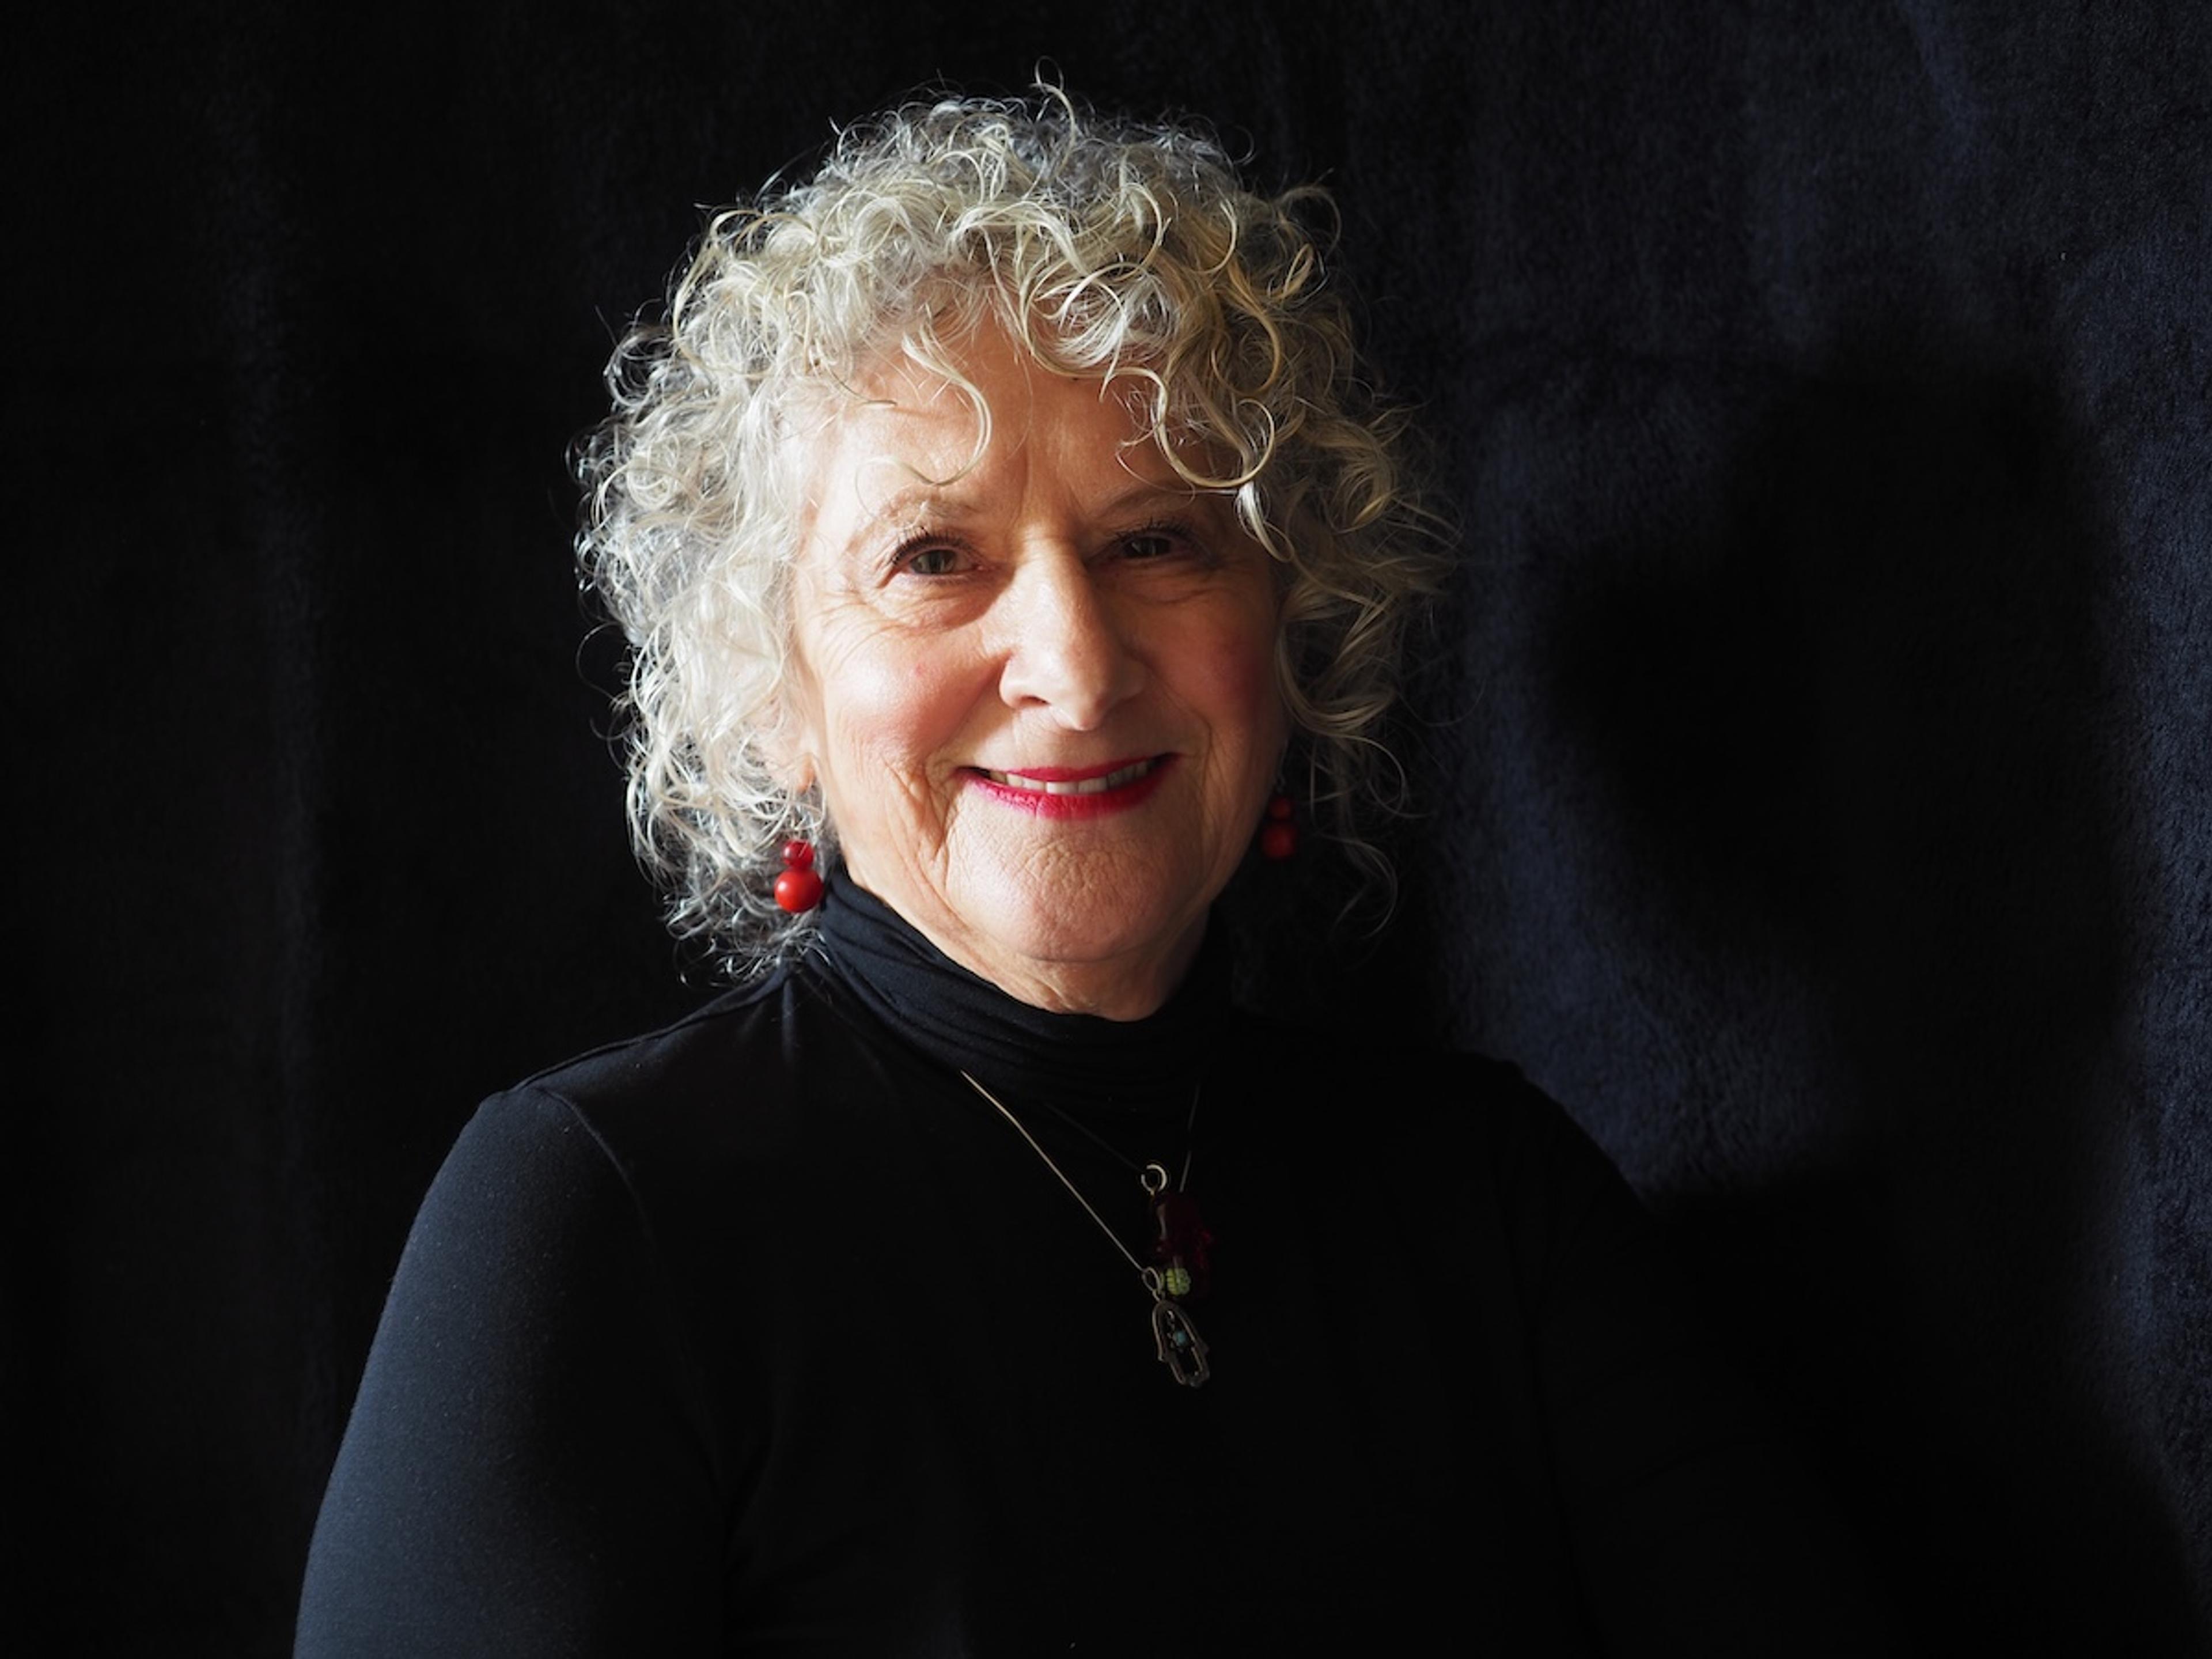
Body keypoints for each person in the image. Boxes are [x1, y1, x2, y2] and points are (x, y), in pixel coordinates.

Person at [296, 88, 1888, 1656]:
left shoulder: (1495, 1203)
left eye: (1159, 540)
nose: (1072, 660)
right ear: (773, 695)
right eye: (934, 557)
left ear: (1289, 631)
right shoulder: (593, 1215)